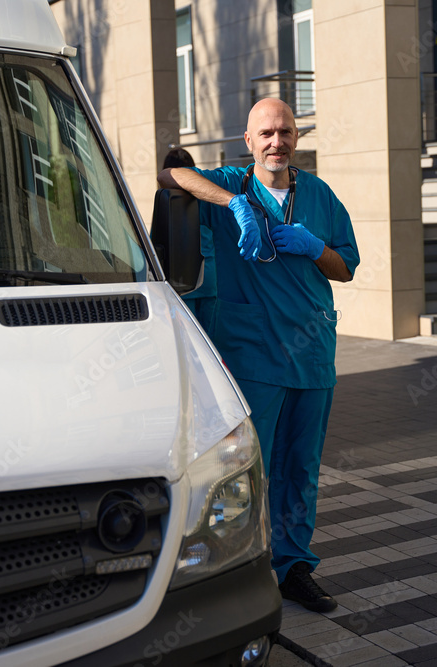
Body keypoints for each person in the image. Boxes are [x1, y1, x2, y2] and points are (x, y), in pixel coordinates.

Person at [157, 98, 359, 613]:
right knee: (245, 473)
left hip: (312, 355)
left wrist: (315, 247)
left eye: (285, 132)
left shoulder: (320, 195)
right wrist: (235, 205)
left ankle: (292, 567)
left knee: (301, 470)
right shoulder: (231, 184)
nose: (277, 141)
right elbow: (171, 175)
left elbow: (346, 268)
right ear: (248, 141)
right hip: (253, 360)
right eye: (266, 133)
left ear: (297, 137)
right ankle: (236, 569)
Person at [161, 147, 218, 335]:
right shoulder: (207, 196)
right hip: (210, 280)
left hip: (181, 283)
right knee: (212, 344)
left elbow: (157, 244)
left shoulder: (167, 201)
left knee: (189, 343)